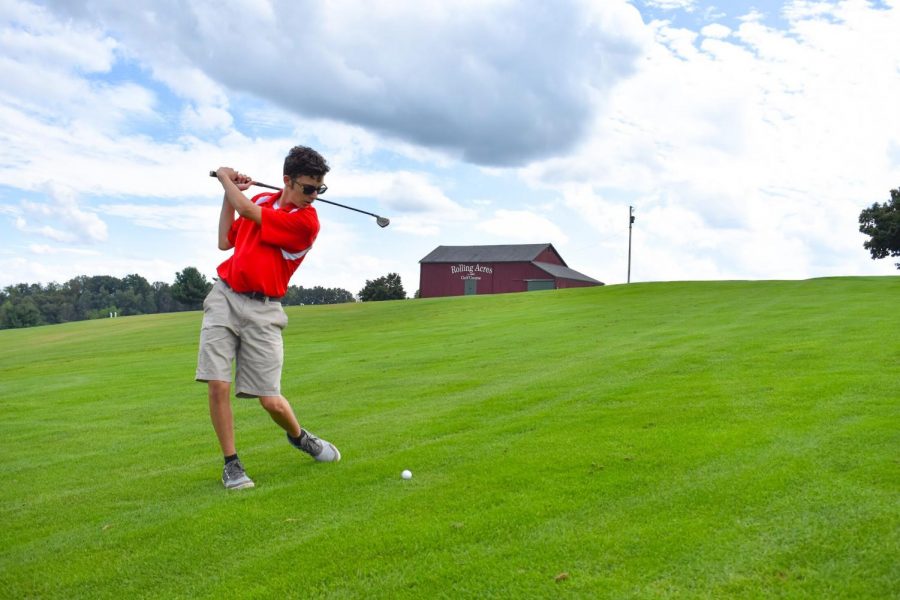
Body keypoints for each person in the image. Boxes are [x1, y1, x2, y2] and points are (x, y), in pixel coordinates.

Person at [196, 146, 341, 491]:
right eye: (307, 188)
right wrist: (230, 193)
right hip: (225, 296)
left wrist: (224, 177)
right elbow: (223, 242)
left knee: (269, 399)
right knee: (218, 383)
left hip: (265, 311)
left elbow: (243, 207)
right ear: (287, 181)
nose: (313, 197)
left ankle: (299, 436)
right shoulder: (260, 198)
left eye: (319, 189)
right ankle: (231, 464)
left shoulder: (306, 222)